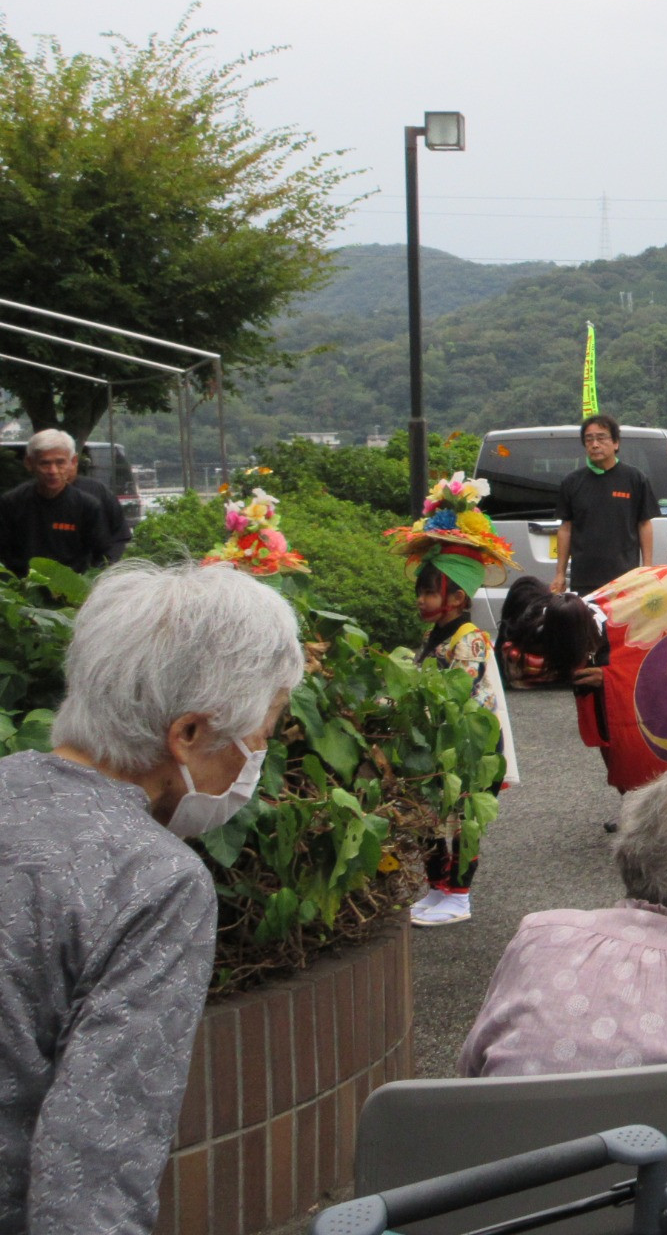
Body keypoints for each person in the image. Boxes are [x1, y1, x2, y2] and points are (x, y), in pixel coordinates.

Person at [0, 561, 303, 1235]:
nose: (258, 756)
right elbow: (91, 1167)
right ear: (188, 734)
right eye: (261, 731)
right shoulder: (153, 880)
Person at [459, 769, 667, 1235]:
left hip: (512, 1215)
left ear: (628, 852)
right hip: (661, 1218)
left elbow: (473, 1075)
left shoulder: (540, 933)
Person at [388, 474, 521, 927]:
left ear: (458, 596)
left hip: (470, 750)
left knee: (461, 823)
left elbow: (455, 694)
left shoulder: (470, 639)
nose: (422, 599)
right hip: (442, 745)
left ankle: (459, 895)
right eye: (421, 590)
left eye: (430, 591)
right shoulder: (435, 634)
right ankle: (436, 888)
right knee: (433, 821)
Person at [552, 413, 655, 595]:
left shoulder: (635, 478)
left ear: (616, 443)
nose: (595, 444)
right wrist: (560, 574)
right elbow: (566, 528)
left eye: (601, 438)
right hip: (584, 579)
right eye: (589, 439)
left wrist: (646, 568)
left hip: (625, 578)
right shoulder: (572, 482)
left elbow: (644, 524)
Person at [0, 427, 114, 578]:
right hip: (23, 590)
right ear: (29, 463)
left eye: (60, 463)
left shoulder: (87, 506)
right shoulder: (11, 503)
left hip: (73, 592)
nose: (53, 471)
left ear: (73, 462)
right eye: (45, 463)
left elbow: (102, 557)